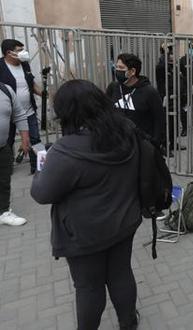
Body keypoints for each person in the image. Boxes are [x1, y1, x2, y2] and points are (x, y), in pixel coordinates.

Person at [31, 80, 141, 330]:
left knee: (89, 287)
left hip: (85, 235)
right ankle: (129, 323)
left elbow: (41, 192)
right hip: (124, 222)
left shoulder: (65, 150)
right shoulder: (125, 130)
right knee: (121, 274)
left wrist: (42, 169)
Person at [0, 39, 42, 174]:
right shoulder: (0, 66)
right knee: (7, 142)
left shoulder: (24, 65)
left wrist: (43, 94)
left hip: (29, 111)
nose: (23, 53)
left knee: (36, 139)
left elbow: (32, 84)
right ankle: (6, 169)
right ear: (9, 53)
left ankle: (39, 167)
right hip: (8, 115)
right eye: (19, 50)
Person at [106, 53, 164, 148]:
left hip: (141, 145)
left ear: (132, 71)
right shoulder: (113, 88)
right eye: (116, 67)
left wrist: (155, 143)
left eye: (121, 68)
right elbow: (106, 112)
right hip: (117, 143)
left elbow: (159, 119)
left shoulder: (149, 92)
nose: (117, 70)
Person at [0, 82, 30, 225]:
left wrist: (24, 140)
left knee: (4, 181)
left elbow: (19, 114)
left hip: (3, 147)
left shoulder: (6, 90)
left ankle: (4, 212)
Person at [155, 43, 185, 157]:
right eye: (170, 52)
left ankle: (173, 143)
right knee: (166, 123)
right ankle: (164, 146)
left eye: (172, 52)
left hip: (176, 98)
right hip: (166, 98)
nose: (172, 55)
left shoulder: (174, 67)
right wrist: (165, 52)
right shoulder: (161, 67)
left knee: (174, 122)